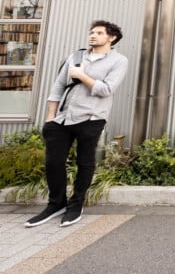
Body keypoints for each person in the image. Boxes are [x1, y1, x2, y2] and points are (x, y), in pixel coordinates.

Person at [25, 20, 128, 228]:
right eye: (91, 32)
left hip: (91, 118)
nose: (93, 35)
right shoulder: (76, 57)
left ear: (112, 37)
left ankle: (76, 205)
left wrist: (82, 76)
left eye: (99, 33)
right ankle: (56, 204)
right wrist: (50, 117)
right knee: (53, 163)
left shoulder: (118, 61)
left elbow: (107, 89)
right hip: (62, 118)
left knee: (85, 162)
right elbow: (58, 86)